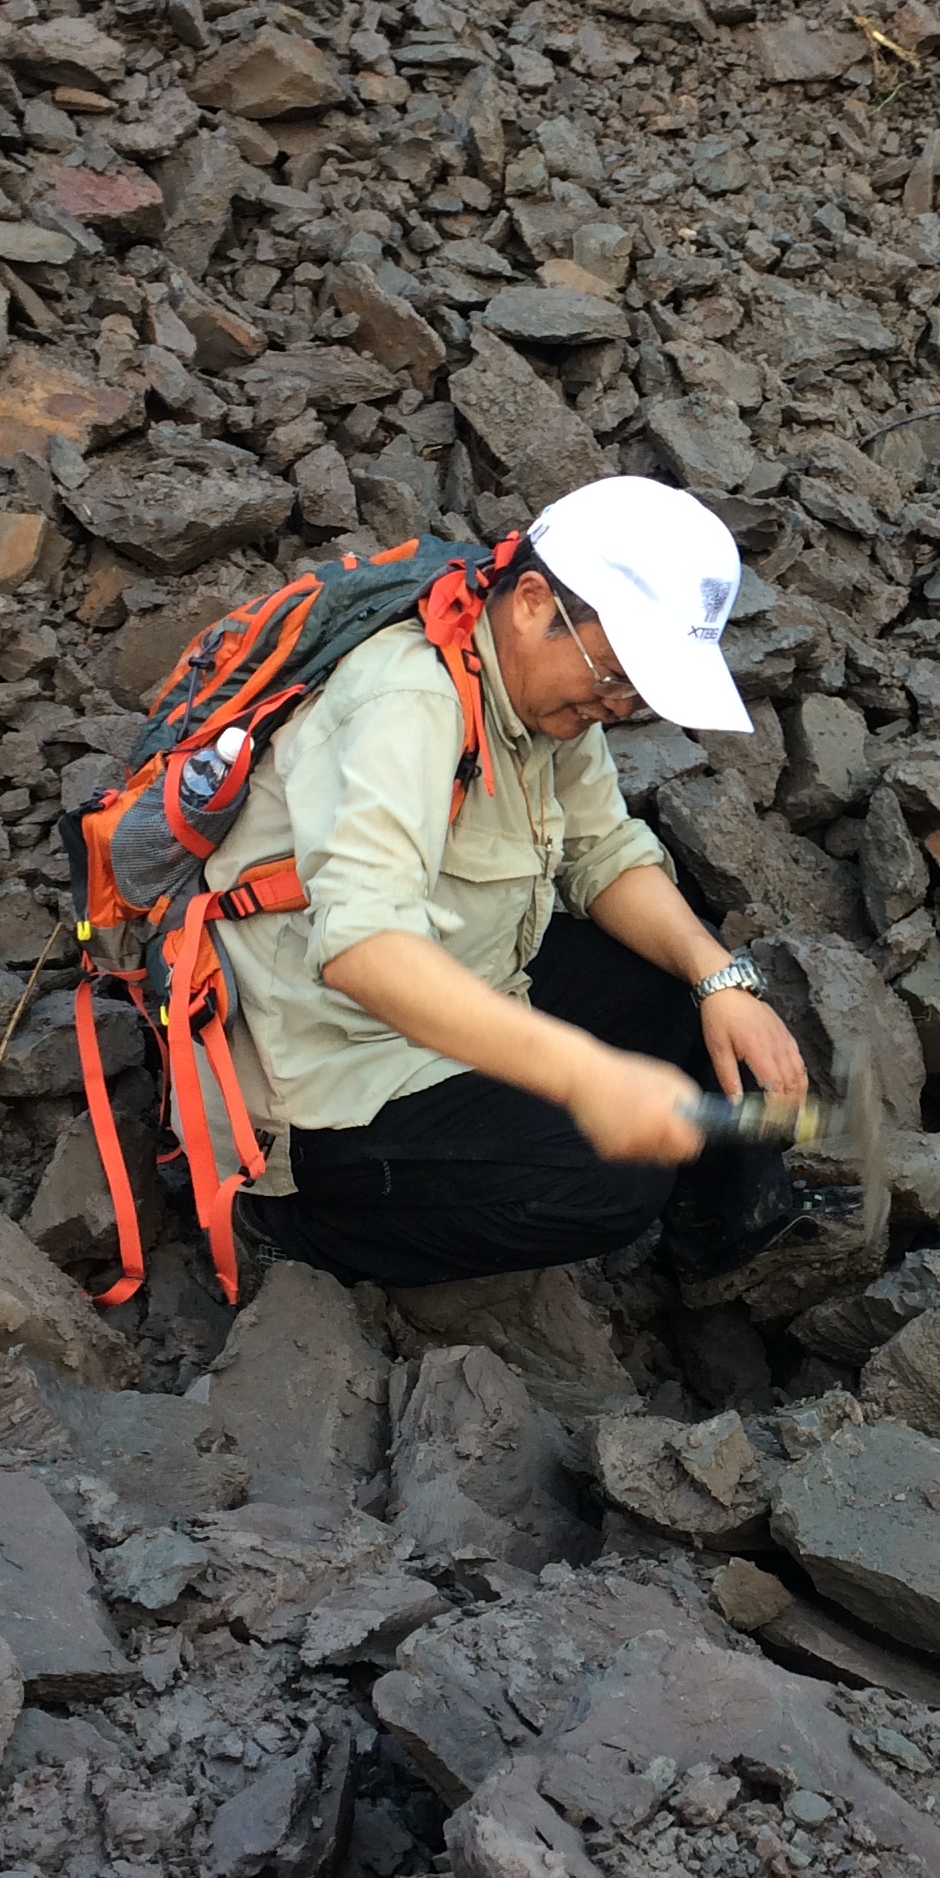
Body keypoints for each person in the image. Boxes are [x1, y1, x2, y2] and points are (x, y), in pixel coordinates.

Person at [211, 475, 832, 1292]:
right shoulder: (408, 702)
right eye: (616, 675)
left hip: (473, 974)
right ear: (534, 602)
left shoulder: (537, 691)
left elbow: (602, 850)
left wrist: (719, 978)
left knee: (689, 984)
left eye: (638, 690)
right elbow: (366, 951)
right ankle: (292, 1229)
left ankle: (727, 1236)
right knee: (612, 1184)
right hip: (335, 1069)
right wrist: (586, 1076)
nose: (620, 706)